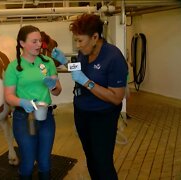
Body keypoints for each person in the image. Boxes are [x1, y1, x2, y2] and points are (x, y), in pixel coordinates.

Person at [52, 13, 128, 179]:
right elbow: (78, 70)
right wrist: (65, 62)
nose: (77, 45)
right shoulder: (84, 52)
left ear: (95, 37)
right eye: (75, 41)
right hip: (82, 112)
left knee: (103, 162)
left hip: (102, 116)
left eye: (80, 41)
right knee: (91, 158)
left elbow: (116, 97)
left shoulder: (113, 57)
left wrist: (88, 83)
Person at [4, 25, 62, 180]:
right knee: (28, 163)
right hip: (23, 118)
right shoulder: (13, 67)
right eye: (34, 41)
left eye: (40, 41)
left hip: (46, 117)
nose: (39, 45)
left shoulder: (48, 62)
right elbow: (8, 96)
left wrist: (54, 86)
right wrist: (22, 102)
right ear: (22, 43)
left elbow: (57, 91)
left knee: (44, 163)